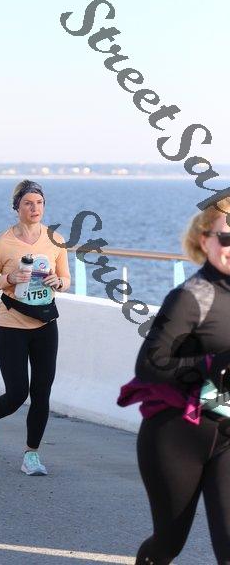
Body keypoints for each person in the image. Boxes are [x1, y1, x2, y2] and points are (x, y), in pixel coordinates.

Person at [117, 198, 230, 564]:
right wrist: (212, 364)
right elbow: (150, 364)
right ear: (204, 239)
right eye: (227, 238)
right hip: (176, 438)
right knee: (168, 544)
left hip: (226, 435)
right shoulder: (191, 298)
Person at [0, 180, 70, 475]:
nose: (34, 208)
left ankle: (31, 455)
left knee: (41, 393)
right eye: (28, 203)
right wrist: (9, 279)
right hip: (11, 325)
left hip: (45, 324)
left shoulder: (56, 240)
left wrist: (58, 282)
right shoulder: (3, 242)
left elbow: (66, 279)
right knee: (16, 393)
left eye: (39, 203)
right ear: (17, 208)